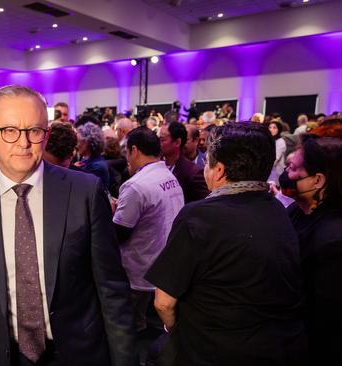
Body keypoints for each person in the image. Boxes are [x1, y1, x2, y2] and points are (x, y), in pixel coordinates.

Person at [0, 85, 136, 366]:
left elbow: (112, 291)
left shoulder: (84, 192)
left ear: (46, 135)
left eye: (34, 131)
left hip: (76, 353)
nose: (23, 143)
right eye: (9, 130)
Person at [146, 122, 307, 366]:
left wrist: (182, 331)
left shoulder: (198, 216)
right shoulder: (279, 209)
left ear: (219, 170)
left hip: (211, 351)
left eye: (207, 163)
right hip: (278, 348)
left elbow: (163, 302)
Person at [113, 127, 183, 332]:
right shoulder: (168, 176)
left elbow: (120, 233)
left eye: (126, 152)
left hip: (138, 271)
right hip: (162, 265)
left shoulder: (136, 185)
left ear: (134, 150)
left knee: (131, 329)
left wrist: (109, 213)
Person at [284, 134, 342, 363]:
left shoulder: (333, 241)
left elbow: (325, 318)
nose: (286, 174)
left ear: (317, 181)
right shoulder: (298, 210)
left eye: (293, 168)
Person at [159, 122, 209, 203]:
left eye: (162, 140)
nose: (159, 144)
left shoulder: (193, 173)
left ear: (177, 142)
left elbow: (203, 205)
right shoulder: (155, 165)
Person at [74, 122, 110, 191]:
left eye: (78, 142)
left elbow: (82, 188)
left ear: (87, 142)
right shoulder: (88, 160)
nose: (76, 145)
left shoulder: (97, 166)